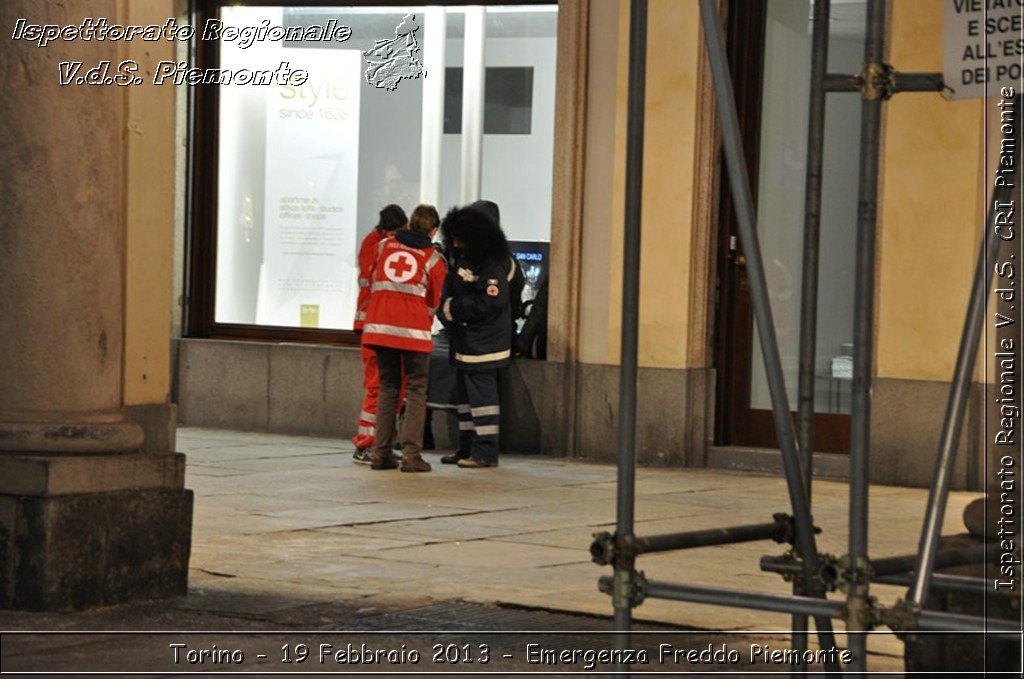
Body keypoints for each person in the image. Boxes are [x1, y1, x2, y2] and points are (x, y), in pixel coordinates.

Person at [361, 204, 446, 472]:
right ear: (433, 231)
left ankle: (381, 453)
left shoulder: (383, 246)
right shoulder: (432, 258)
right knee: (416, 390)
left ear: (409, 224)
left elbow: (370, 277)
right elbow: (435, 301)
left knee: (388, 388)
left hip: (379, 327)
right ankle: (411, 455)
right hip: (413, 333)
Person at [437, 205, 513, 469]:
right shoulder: (464, 258)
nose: (455, 242)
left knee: (483, 402)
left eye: (460, 237)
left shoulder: (493, 265)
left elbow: (490, 303)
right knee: (466, 402)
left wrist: (454, 309)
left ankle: (485, 452)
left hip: (485, 344)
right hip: (466, 342)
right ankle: (467, 447)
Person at [351, 204, 407, 464]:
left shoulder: (375, 245)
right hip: (375, 329)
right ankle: (366, 444)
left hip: (380, 328)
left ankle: (382, 442)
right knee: (378, 388)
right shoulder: (378, 248)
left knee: (391, 388)